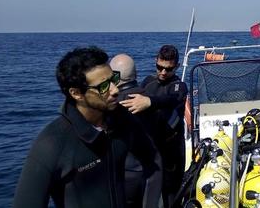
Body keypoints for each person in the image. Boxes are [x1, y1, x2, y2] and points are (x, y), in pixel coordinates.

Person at [13, 46, 162, 208]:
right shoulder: (52, 144)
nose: (114, 90)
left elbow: (153, 160)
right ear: (76, 93)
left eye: (113, 79)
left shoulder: (123, 120)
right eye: (103, 86)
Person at [119, 45, 188, 208]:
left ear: (176, 67)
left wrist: (150, 102)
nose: (163, 73)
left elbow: (174, 99)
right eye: (160, 67)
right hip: (151, 147)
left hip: (171, 151)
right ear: (155, 62)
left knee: (171, 195)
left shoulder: (179, 86)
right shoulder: (148, 82)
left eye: (169, 69)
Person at [110, 53, 162, 208]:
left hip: (126, 174)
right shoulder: (150, 99)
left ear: (115, 77)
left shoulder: (115, 105)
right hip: (153, 172)